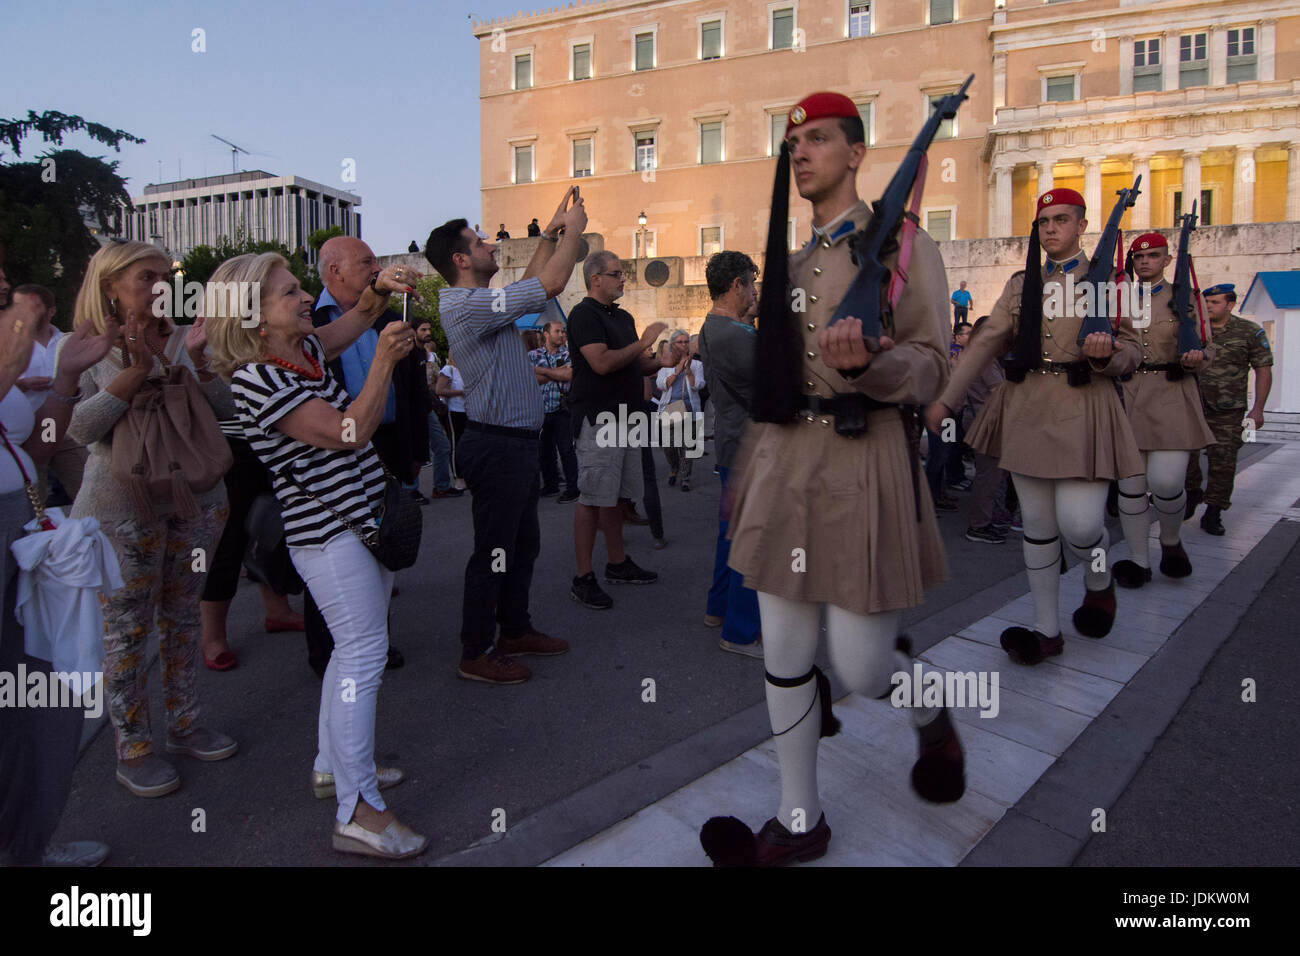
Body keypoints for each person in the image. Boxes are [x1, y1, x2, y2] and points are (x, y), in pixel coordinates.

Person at [707, 92, 963, 867]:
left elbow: (933, 362)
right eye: (795, 142)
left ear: (856, 153)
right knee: (784, 655)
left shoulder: (903, 247)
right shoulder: (786, 266)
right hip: (787, 458)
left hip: (862, 455)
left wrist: (876, 364)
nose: (803, 152)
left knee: (859, 669)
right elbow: (779, 383)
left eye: (819, 139)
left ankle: (925, 706)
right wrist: (747, 474)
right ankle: (799, 819)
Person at [209, 251, 426, 859]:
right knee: (362, 656)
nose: (305, 297)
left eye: (300, 287)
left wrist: (378, 290)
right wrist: (384, 359)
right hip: (329, 536)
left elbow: (354, 317)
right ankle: (356, 812)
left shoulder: (299, 351)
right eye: (287, 294)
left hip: (358, 524)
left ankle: (334, 768)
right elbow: (350, 430)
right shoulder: (258, 378)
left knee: (348, 655)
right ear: (253, 319)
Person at [926, 187, 1143, 667]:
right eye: (1044, 221)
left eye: (1062, 220)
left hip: (1085, 406)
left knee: (1083, 526)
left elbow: (1134, 350)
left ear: (1082, 225)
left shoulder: (1107, 279)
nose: (1050, 229)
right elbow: (983, 345)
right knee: (1040, 529)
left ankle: (1098, 578)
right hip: (1027, 409)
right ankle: (1047, 630)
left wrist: (1109, 355)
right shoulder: (1021, 284)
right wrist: (946, 398)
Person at [65, 241, 239, 798]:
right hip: (123, 504)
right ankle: (133, 748)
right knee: (127, 630)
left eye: (169, 276)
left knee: (183, 616)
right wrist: (136, 372)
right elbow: (78, 430)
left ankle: (185, 724)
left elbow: (227, 411)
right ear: (109, 285)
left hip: (194, 499)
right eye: (147, 277)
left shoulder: (184, 334)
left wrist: (204, 364)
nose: (162, 286)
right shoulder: (87, 346)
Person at [424, 186, 585, 684]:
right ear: (460, 259)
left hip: (511, 445)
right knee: (493, 552)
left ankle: (514, 630)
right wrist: (577, 229)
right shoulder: (466, 305)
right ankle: (476, 651)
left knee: (522, 545)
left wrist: (552, 231)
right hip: (496, 446)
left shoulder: (479, 300)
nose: (492, 246)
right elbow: (553, 283)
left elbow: (534, 281)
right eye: (481, 243)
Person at [0, 283, 119, 866]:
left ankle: (23, 844)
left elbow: (39, 448)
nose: (18, 309)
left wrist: (67, 379)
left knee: (38, 699)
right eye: (2, 298)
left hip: (19, 532)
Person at [1109, 234, 1215, 587]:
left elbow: (1207, 346)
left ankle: (1170, 540)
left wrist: (1196, 359)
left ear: (1167, 261)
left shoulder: (1185, 299)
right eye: (1139, 256)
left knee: (1167, 483)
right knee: (1132, 487)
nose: (1144, 262)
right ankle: (1139, 560)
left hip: (1172, 393)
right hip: (1129, 393)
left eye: (1153, 256)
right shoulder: (1119, 298)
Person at [567, 250, 665, 610]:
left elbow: (632, 364)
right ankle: (582, 577)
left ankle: (617, 563)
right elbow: (602, 362)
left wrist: (658, 362)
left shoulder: (622, 317)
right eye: (617, 273)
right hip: (598, 418)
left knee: (615, 497)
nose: (623, 278)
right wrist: (644, 343)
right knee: (591, 498)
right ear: (596, 279)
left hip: (626, 419)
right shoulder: (583, 314)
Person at [697, 250, 762, 657]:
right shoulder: (733, 334)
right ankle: (740, 632)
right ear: (736, 284)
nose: (754, 291)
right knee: (750, 540)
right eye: (751, 284)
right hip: (748, 449)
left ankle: (717, 609)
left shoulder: (716, 328)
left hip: (734, 445)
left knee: (730, 535)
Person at [1185, 283, 1272, 536]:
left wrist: (1258, 410)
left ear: (1230, 305)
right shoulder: (1195, 330)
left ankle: (1214, 511)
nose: (1209, 307)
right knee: (1185, 457)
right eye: (1207, 303)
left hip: (1228, 410)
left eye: (1215, 303)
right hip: (1193, 406)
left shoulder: (1249, 332)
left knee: (1223, 462)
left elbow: (1263, 370)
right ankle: (1192, 492)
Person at [12, 284, 89, 503]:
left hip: (65, 429)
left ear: (51, 311)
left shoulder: (68, 342)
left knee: (86, 491)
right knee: (35, 498)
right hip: (28, 433)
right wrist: (22, 384)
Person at [956, 316, 1008, 543]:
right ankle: (980, 524)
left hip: (980, 418)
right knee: (989, 475)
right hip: (985, 421)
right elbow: (999, 389)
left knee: (989, 474)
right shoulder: (984, 358)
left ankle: (986, 519)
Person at [529, 319, 580, 501]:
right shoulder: (533, 355)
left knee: (566, 449)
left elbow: (568, 375)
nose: (562, 335)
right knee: (544, 450)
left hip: (562, 409)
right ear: (546, 334)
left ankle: (573, 488)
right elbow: (530, 380)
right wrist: (555, 372)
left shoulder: (568, 354)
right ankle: (550, 485)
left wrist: (541, 371)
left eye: (563, 331)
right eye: (558, 331)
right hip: (540, 410)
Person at [415, 321, 461, 499]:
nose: (428, 332)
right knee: (415, 449)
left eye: (429, 329)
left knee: (443, 446)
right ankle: (410, 490)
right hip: (413, 408)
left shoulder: (423, 355)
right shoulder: (408, 353)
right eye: (423, 329)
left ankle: (441, 486)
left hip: (427, 407)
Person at [656, 330, 705, 491]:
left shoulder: (697, 364)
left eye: (686, 342)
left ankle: (685, 478)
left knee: (687, 446)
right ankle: (674, 467)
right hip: (670, 409)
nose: (683, 345)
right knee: (668, 445)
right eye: (680, 342)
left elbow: (698, 385)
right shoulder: (666, 363)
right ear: (673, 345)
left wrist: (689, 369)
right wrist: (678, 370)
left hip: (690, 410)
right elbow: (663, 385)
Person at [436, 353, 469, 489]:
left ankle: (467, 474)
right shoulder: (449, 370)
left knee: (468, 444)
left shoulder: (468, 369)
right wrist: (460, 392)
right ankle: (458, 477)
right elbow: (440, 390)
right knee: (456, 443)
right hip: (455, 410)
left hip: (469, 411)